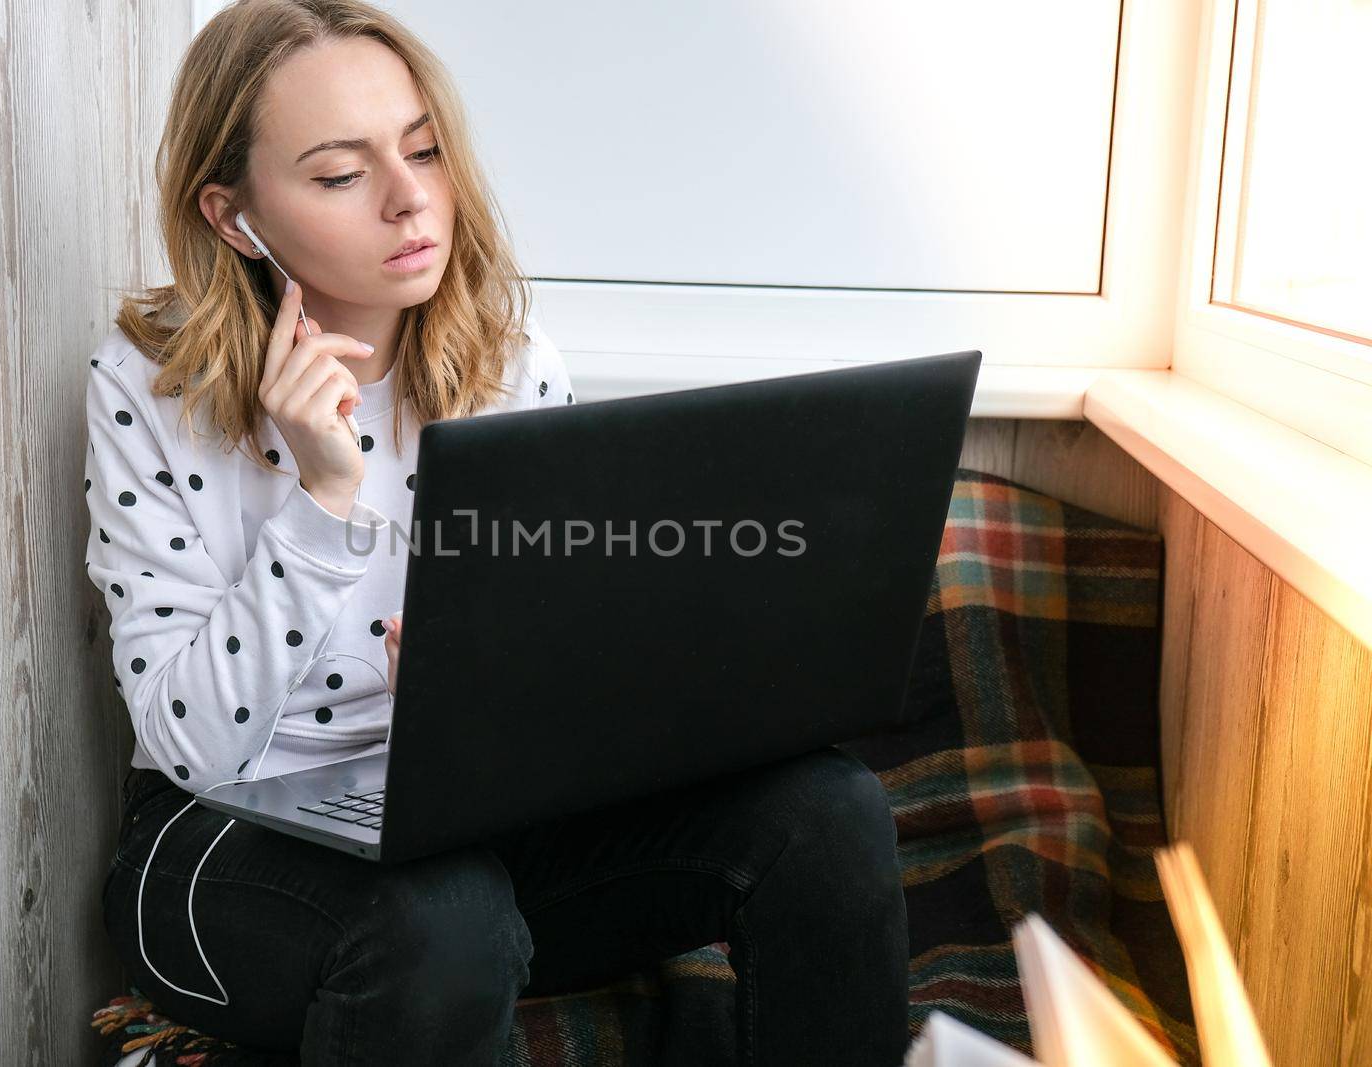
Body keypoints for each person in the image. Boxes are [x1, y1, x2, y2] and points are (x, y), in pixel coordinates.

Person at [86, 1, 910, 1062]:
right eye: (341, 175)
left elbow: (571, 680)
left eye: (423, 148)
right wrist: (323, 497)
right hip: (229, 840)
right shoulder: (147, 387)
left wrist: (517, 690)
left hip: (472, 825)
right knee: (445, 914)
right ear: (233, 216)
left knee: (828, 814)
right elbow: (189, 739)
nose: (409, 197)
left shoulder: (513, 366)